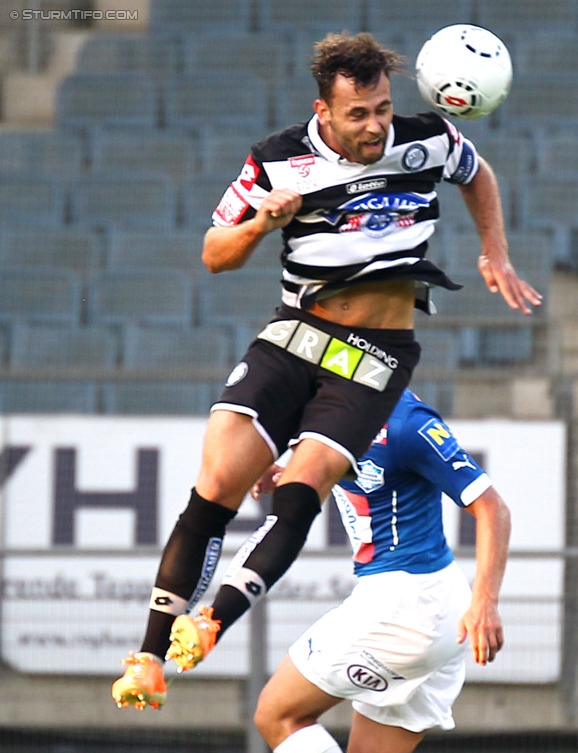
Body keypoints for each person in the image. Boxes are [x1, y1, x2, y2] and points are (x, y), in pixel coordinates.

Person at [112, 31, 542, 711]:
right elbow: (214, 255)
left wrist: (495, 249)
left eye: (381, 108)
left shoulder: (426, 139)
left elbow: (476, 172)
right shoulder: (276, 162)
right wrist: (259, 223)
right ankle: (148, 655)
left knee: (302, 487)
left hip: (374, 354)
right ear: (324, 109)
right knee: (216, 483)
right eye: (358, 114)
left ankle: (213, 619)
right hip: (295, 335)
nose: (375, 125)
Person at [167, 389, 540, 753]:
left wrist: (487, 602)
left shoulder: (407, 422)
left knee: (278, 713)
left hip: (406, 603)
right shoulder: (337, 416)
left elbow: (492, 506)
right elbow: (328, 462)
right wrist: (284, 474)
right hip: (429, 607)